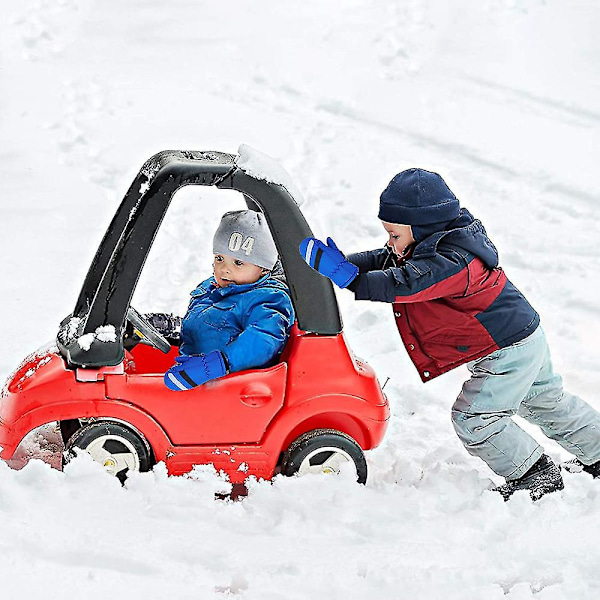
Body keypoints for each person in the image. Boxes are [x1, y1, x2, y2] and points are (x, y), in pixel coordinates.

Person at [300, 168, 600, 501]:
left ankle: (535, 475)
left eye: (395, 235)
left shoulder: (455, 261)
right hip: (521, 337)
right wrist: (347, 264)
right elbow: (386, 260)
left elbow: (408, 282)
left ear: (423, 228)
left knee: (475, 418)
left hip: (508, 349)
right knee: (547, 403)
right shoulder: (433, 243)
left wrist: (351, 279)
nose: (389, 243)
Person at [159, 209, 294, 391]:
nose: (224, 269)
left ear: (263, 268)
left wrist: (217, 364)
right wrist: (172, 327)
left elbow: (264, 340)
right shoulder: (214, 288)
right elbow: (209, 327)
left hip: (233, 391)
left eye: (238, 262)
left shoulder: (267, 298)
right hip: (196, 380)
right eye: (219, 258)